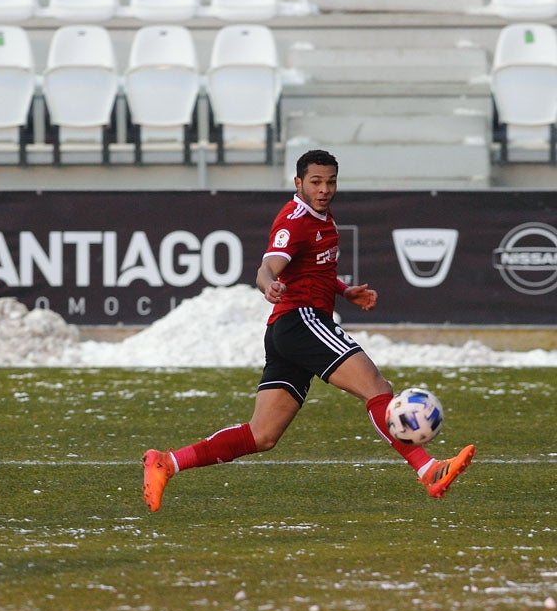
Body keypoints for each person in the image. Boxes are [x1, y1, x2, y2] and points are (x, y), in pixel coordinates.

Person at [142, 149, 475, 512]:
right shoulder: (294, 220)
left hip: (288, 331)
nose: (324, 188)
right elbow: (268, 266)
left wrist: (344, 291)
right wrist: (267, 283)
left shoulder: (323, 219)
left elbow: (314, 268)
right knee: (378, 389)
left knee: (262, 434)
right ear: (298, 182)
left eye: (330, 181)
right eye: (315, 182)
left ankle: (167, 462)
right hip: (302, 321)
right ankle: (428, 469)